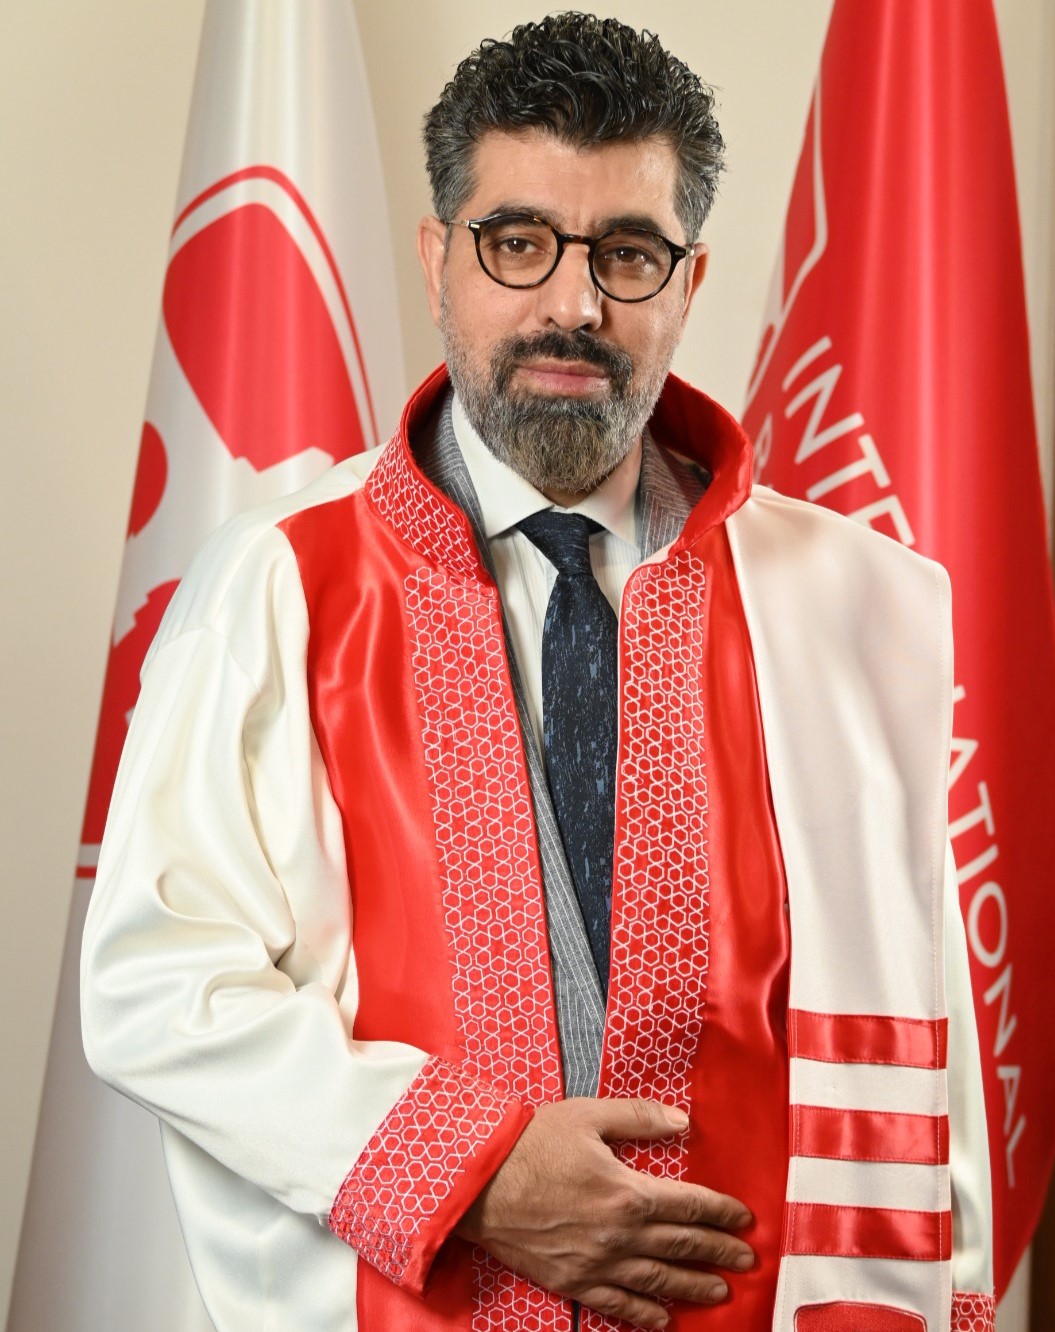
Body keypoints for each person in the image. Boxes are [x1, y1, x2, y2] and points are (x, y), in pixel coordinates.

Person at [82, 13, 995, 1332]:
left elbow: (928, 1042)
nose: (573, 305)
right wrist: (475, 1169)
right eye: (517, 243)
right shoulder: (278, 583)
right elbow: (155, 984)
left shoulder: (854, 609)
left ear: (688, 281)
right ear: (436, 259)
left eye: (627, 254)